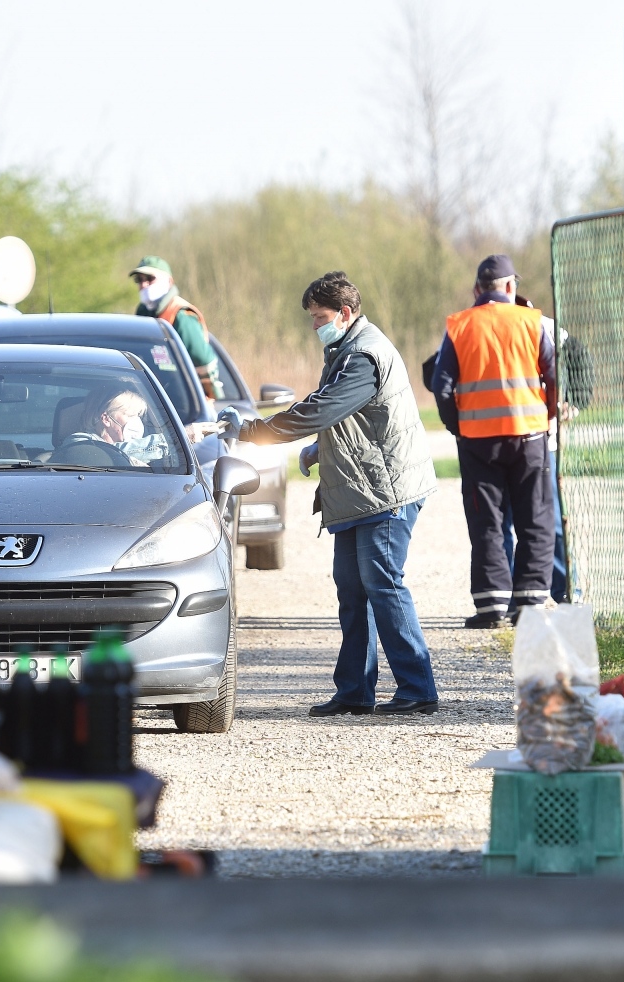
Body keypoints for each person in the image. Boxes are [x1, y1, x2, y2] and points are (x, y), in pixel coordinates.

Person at [225, 271, 439, 716]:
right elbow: (345, 416)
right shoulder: (344, 348)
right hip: (357, 492)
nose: (314, 326)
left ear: (344, 313)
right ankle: (355, 691)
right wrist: (318, 449)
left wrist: (253, 431)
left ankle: (417, 687)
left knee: (383, 584)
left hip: (384, 492)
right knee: (351, 590)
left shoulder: (363, 356)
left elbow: (321, 409)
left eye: (319, 317)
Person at [429, 254, 559, 628]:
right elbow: (554, 375)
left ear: (477, 290)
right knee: (535, 518)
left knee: (487, 521)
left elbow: (441, 386)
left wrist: (458, 426)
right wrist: (546, 416)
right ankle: (530, 603)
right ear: (510, 287)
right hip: (529, 436)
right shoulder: (531, 322)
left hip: (478, 441)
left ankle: (491, 607)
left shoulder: (459, 325)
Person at [129, 256, 224, 399]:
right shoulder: (143, 313)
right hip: (155, 396)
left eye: (150, 278)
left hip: (184, 402)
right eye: (139, 280)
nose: (143, 285)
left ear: (169, 281)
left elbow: (203, 361)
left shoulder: (181, 315)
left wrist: (209, 399)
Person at [55, 387, 156, 467]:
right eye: (130, 416)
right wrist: (165, 443)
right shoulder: (79, 442)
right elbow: (106, 453)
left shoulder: (138, 454)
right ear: (106, 419)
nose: (136, 421)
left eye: (138, 416)